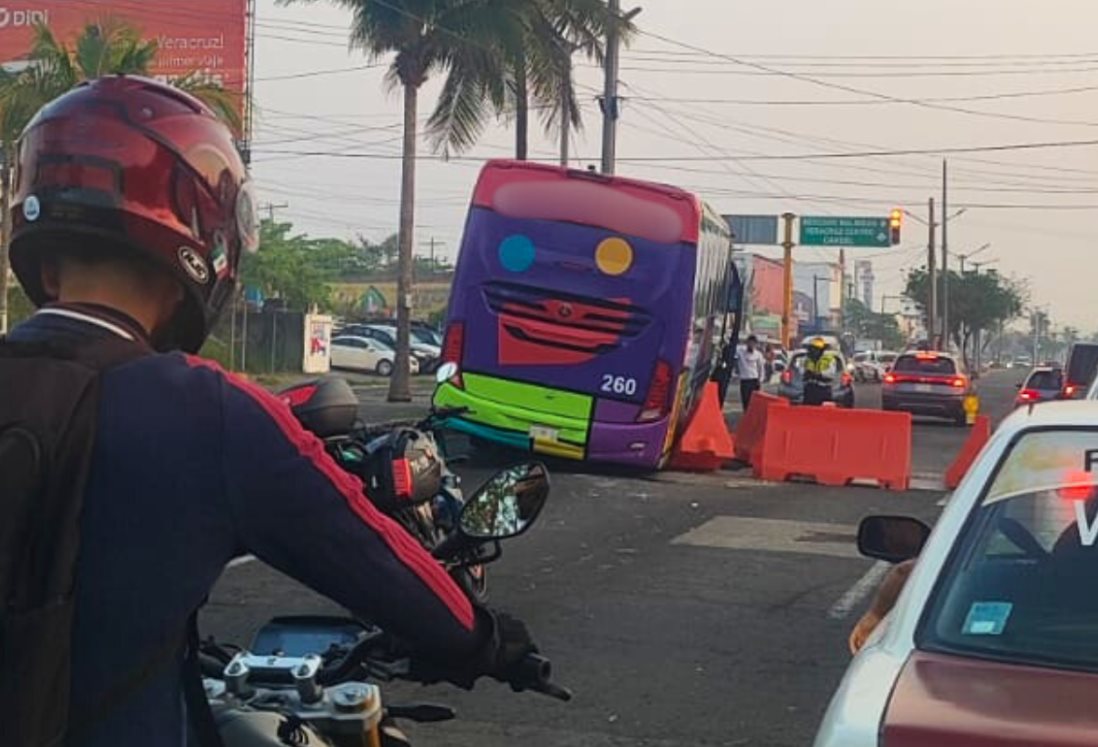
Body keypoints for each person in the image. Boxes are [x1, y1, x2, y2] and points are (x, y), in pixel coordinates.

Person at [3, 77, 536, 746]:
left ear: (40, 250)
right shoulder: (206, 409)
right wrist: (487, 641)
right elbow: (368, 552)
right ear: (199, 237)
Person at [802, 337, 836, 406]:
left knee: (824, 413)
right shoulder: (807, 359)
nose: (812, 351)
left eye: (815, 349)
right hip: (810, 389)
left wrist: (817, 375)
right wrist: (806, 373)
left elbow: (830, 374)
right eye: (811, 348)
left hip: (824, 390)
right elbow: (801, 371)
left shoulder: (829, 359)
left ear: (820, 350)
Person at [736, 334, 767, 410]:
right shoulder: (741, 352)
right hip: (745, 380)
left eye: (753, 343)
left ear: (756, 344)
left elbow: (761, 368)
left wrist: (760, 380)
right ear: (747, 343)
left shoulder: (758, 355)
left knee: (754, 402)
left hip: (754, 380)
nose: (751, 345)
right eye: (750, 343)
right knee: (746, 401)